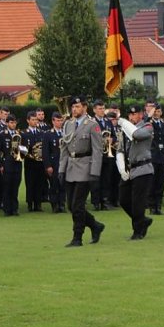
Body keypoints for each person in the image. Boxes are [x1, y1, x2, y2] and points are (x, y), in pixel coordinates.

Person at [58, 96, 105, 247]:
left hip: (85, 167)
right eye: (73, 107)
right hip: (71, 167)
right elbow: (64, 149)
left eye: (77, 106)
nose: (74, 109)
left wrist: (95, 172)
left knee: (78, 206)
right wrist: (61, 169)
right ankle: (95, 225)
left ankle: (77, 237)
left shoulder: (92, 125)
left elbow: (98, 150)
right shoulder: (68, 124)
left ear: (85, 108)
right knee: (71, 206)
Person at [115, 105, 155, 240]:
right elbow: (120, 149)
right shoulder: (125, 129)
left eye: (135, 114)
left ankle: (138, 231)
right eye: (130, 115)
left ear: (141, 115)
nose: (132, 117)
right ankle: (142, 220)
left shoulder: (148, 127)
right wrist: (121, 168)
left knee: (138, 202)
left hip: (143, 169)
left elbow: (136, 134)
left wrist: (123, 122)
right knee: (124, 199)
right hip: (130, 169)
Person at [0, 114, 24, 216]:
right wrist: (0, 165)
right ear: (7, 123)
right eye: (11, 122)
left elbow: (24, 149)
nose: (13, 124)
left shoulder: (19, 134)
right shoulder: (1, 135)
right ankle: (7, 209)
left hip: (17, 164)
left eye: (15, 122)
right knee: (7, 187)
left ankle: (15, 209)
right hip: (7, 164)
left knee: (15, 187)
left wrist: (22, 151)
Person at [40, 111, 66, 213]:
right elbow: (45, 152)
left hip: (64, 163)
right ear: (53, 121)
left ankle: (62, 204)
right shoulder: (48, 134)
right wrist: (48, 166)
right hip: (53, 164)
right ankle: (54, 205)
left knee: (63, 185)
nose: (60, 123)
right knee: (54, 185)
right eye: (58, 121)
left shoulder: (65, 133)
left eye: (61, 121)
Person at [21, 111, 44, 212]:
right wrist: (29, 154)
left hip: (40, 162)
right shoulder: (24, 133)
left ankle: (38, 204)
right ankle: (30, 204)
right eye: (33, 120)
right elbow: (21, 148)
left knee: (39, 183)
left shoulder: (41, 133)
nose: (35, 122)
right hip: (30, 162)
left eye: (36, 120)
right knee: (30, 183)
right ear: (28, 121)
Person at [148, 103, 164, 215]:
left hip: (163, 156)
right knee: (152, 182)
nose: (156, 113)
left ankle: (158, 206)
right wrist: (149, 114)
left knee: (161, 182)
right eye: (155, 111)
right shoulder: (149, 123)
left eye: (158, 111)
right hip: (153, 155)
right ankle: (151, 206)